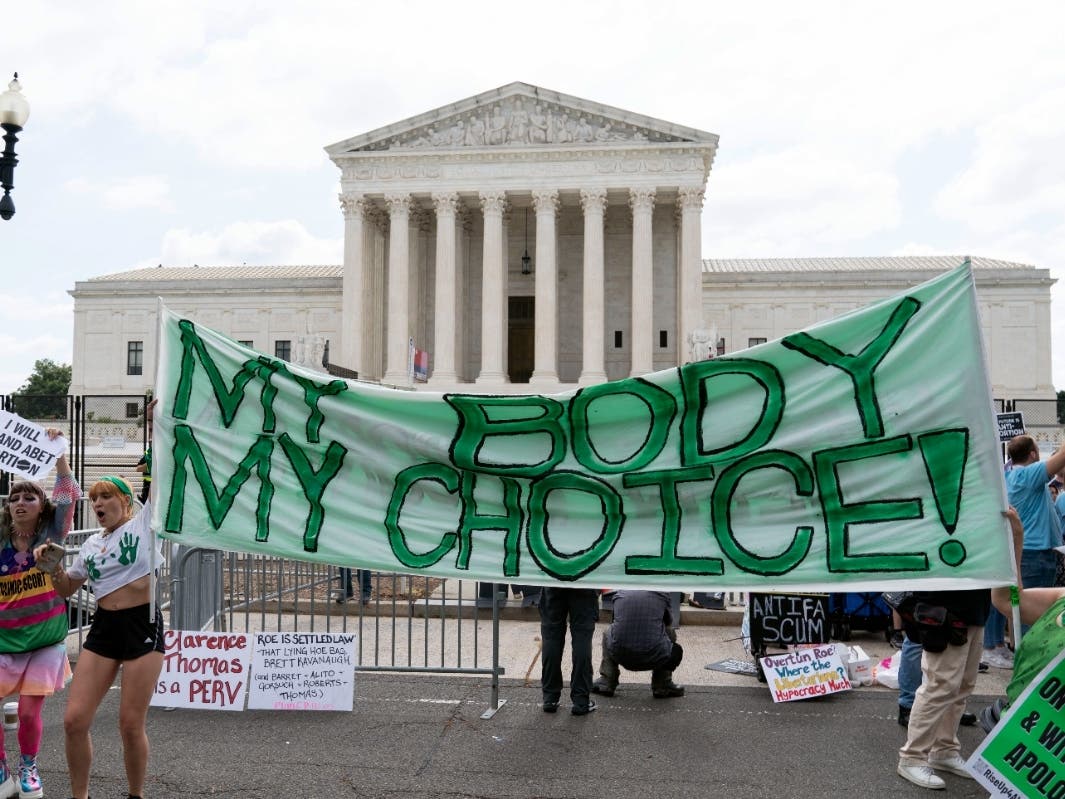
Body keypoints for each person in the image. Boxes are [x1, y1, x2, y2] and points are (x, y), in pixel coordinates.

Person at [41, 402, 164, 799]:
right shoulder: (91, 544)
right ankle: (80, 796)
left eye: (106, 497)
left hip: (142, 624)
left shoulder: (146, 523)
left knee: (130, 724)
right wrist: (53, 568)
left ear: (125, 501)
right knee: (74, 720)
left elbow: (160, 474)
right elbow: (66, 590)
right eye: (94, 500)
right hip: (104, 630)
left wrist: (154, 425)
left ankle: (135, 794)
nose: (98, 505)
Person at [0, 428, 80, 799]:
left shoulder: (53, 532)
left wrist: (60, 452)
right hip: (4, 642)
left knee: (30, 715)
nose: (20, 502)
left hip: (45, 642)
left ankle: (28, 766)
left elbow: (69, 495)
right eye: (14, 497)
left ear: (41, 506)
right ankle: (1, 767)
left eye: (29, 497)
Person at [896, 584, 989, 789]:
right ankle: (913, 757)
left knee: (961, 686)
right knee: (940, 686)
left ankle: (944, 749)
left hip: (974, 606)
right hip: (945, 606)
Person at [591, 590, 684, 699]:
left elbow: (615, 621)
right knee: (669, 632)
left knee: (608, 632)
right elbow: (669, 621)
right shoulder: (662, 593)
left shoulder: (620, 593)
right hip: (654, 655)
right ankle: (662, 684)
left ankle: (607, 680)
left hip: (621, 654)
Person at [1005, 435, 1065, 599]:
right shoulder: (1029, 475)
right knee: (1033, 616)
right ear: (1033, 454)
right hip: (1035, 557)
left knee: (1019, 611)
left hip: (1026, 554)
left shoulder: (1010, 477)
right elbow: (1063, 456)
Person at [539, 587, 598, 716]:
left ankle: (550, 698)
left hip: (553, 577)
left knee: (551, 637)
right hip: (583, 580)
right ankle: (580, 700)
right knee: (582, 639)